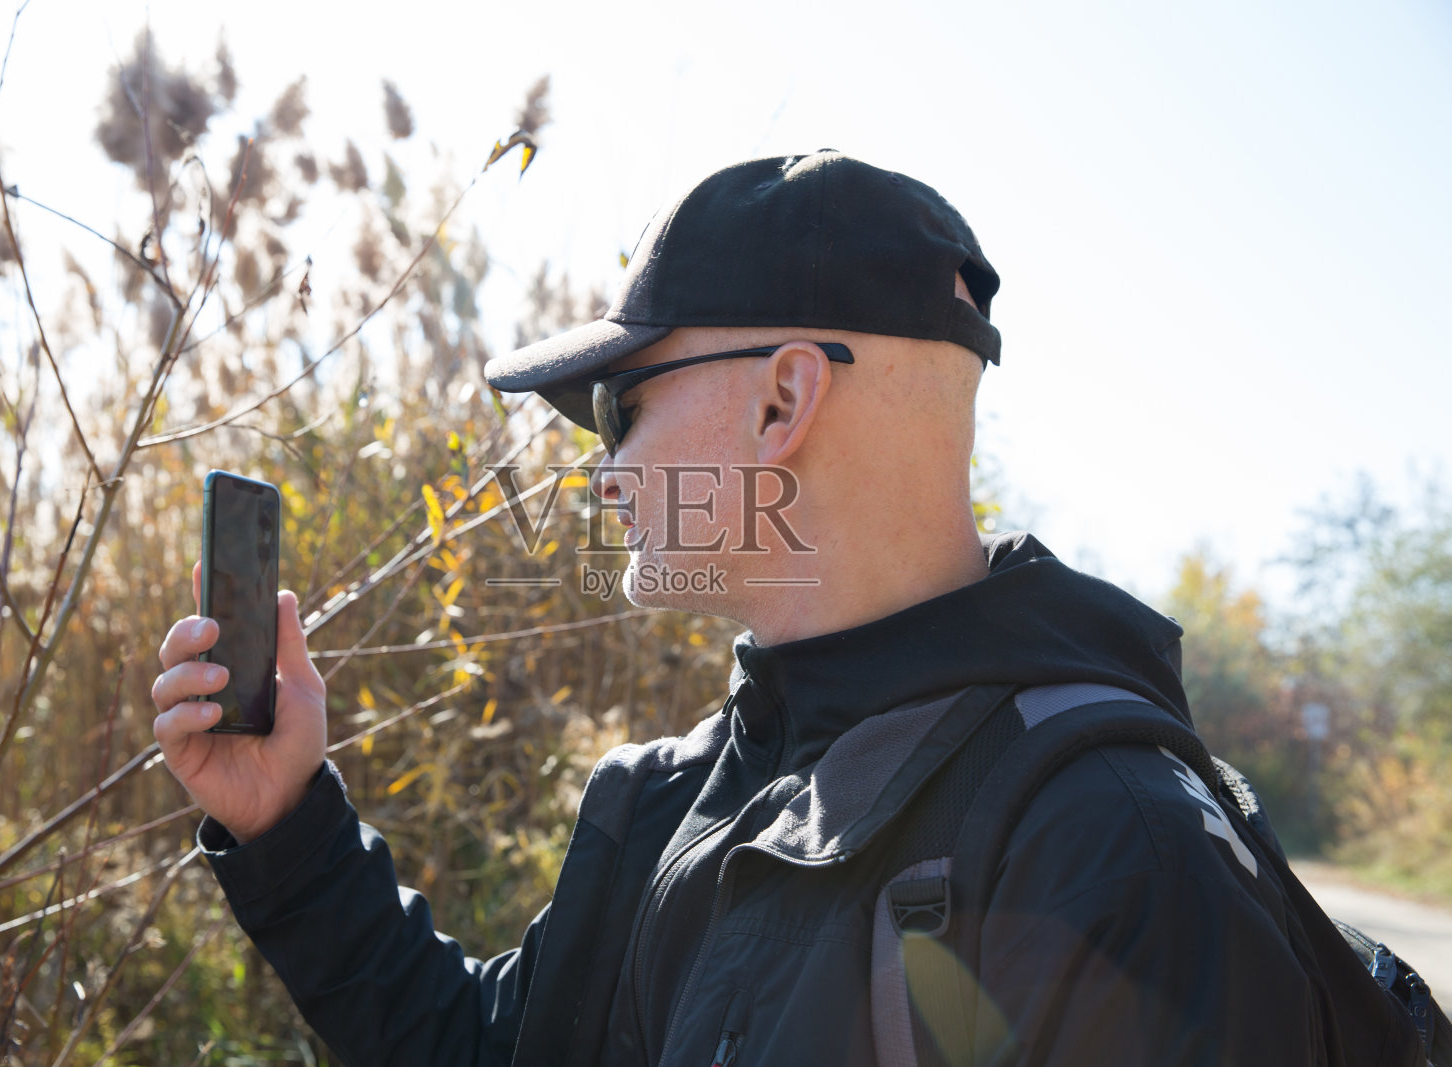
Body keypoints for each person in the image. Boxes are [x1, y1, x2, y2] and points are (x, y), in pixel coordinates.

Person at [150, 150, 1320, 1064]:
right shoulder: (665, 797)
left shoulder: (1107, 842)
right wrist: (285, 820)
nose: (601, 475)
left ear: (782, 400)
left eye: (620, 408)